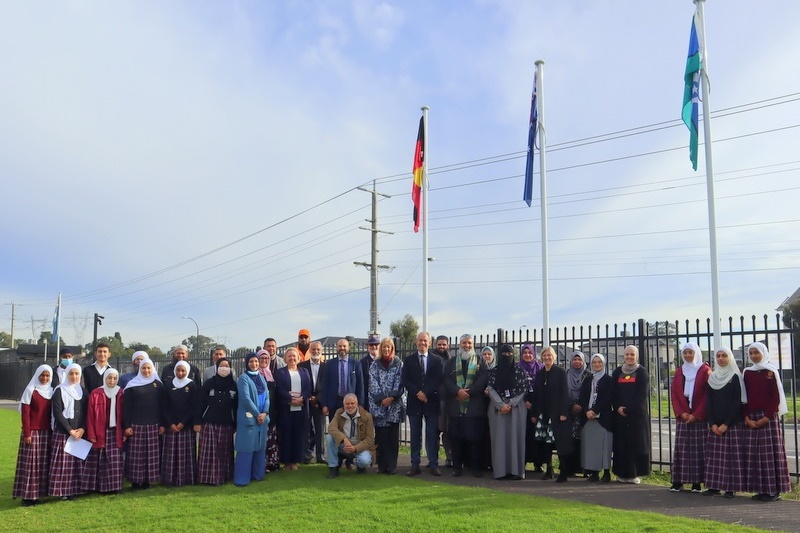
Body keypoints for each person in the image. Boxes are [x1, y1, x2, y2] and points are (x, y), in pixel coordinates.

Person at [742, 342, 790, 502]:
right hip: (752, 416)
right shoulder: (747, 372)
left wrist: (765, 417)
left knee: (770, 455)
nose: (754, 355)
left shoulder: (770, 371)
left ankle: (774, 490)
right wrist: (747, 417)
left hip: (768, 417)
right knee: (756, 455)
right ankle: (762, 489)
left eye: (757, 352)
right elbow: (745, 396)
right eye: (751, 353)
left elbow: (774, 397)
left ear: (764, 353)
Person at [443, 334, 489, 478]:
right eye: (464, 343)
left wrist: (467, 392)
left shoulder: (481, 361)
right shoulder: (451, 362)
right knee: (456, 440)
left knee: (474, 440)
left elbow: (483, 380)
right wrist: (457, 391)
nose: (466, 346)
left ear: (473, 345)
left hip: (474, 408)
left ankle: (475, 468)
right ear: (459, 345)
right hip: (456, 408)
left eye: (469, 343)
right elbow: (446, 380)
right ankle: (457, 468)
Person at [704, 347, 746, 498]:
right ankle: (714, 487)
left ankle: (730, 488)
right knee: (714, 457)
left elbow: (737, 402)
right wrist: (712, 423)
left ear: (730, 358)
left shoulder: (735, 376)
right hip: (715, 424)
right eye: (718, 356)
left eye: (724, 356)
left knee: (730, 458)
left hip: (731, 423)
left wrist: (726, 423)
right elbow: (709, 401)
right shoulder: (712, 377)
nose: (721, 358)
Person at [669, 342, 712, 493]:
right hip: (683, 415)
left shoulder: (705, 370)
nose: (687, 355)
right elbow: (674, 393)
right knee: (681, 449)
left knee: (698, 450)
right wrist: (681, 412)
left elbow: (707, 396)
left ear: (696, 353)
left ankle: (696, 482)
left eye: (690, 352)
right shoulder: (680, 371)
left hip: (698, 417)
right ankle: (678, 481)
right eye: (685, 353)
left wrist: (696, 414)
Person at [402, 332, 444, 477]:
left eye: (425, 341)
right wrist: (418, 393)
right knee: (415, 435)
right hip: (414, 402)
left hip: (431, 402)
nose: (422, 343)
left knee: (432, 434)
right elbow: (405, 380)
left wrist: (426, 392)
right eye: (420, 340)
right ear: (416, 342)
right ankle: (415, 464)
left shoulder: (437, 360)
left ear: (430, 343)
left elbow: (438, 379)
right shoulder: (408, 360)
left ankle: (433, 464)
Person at [13, 365, 53, 506]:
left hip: (46, 433)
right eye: (42, 375)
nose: (45, 378)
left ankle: (38, 494)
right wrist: (27, 433)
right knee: (30, 465)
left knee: (42, 464)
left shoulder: (52, 391)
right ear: (37, 375)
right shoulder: (31, 390)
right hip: (32, 433)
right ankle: (27, 496)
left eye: (47, 376)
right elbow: (25, 414)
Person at [487, 344, 528, 480]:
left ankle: (517, 471)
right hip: (498, 410)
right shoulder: (494, 371)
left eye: (509, 354)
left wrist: (510, 403)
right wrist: (500, 404)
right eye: (504, 355)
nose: (507, 357)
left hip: (516, 409)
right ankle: (500, 471)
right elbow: (490, 388)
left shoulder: (519, 371)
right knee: (499, 440)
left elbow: (523, 389)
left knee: (516, 439)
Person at [530, 346, 571, 482]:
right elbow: (536, 395)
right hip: (544, 413)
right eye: (544, 356)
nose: (547, 358)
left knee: (559, 443)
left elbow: (565, 393)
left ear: (554, 357)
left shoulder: (560, 372)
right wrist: (535, 413)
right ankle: (549, 469)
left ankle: (564, 471)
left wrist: (564, 412)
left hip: (557, 413)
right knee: (545, 444)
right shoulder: (540, 374)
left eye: (549, 355)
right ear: (541, 358)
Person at [611, 345, 651, 484]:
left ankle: (634, 474)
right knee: (621, 445)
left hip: (636, 416)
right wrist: (618, 408)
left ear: (636, 356)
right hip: (620, 416)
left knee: (635, 445)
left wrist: (628, 409)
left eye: (632, 355)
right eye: (627, 354)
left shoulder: (642, 372)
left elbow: (642, 395)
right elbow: (613, 393)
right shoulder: (617, 372)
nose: (629, 357)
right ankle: (621, 474)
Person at [48, 362, 87, 500]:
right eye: (71, 373)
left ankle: (74, 490)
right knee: (62, 464)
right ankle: (62, 492)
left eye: (76, 373)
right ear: (67, 374)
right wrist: (70, 430)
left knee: (76, 464)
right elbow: (57, 412)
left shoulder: (82, 391)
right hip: (64, 432)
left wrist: (82, 428)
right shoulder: (59, 390)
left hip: (79, 433)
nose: (74, 376)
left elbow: (87, 412)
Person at [123, 357, 163, 489]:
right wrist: (127, 426)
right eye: (144, 368)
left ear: (153, 369)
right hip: (136, 425)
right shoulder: (132, 385)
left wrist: (162, 424)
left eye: (149, 368)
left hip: (153, 425)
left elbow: (163, 406)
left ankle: (148, 480)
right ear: (140, 369)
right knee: (136, 455)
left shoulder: (158, 384)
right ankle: (135, 481)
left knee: (151, 454)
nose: (146, 370)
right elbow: (126, 407)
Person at [83, 368, 124, 494]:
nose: (112, 381)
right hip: (100, 431)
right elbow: (90, 416)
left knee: (114, 461)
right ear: (105, 378)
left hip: (115, 431)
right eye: (109, 378)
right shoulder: (96, 393)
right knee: (99, 460)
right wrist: (91, 433)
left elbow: (124, 414)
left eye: (114, 378)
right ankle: (97, 487)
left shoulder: (121, 393)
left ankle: (114, 487)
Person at [198, 358, 238, 486]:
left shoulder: (234, 385)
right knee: (209, 452)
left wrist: (235, 423)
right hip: (209, 422)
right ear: (216, 367)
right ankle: (208, 478)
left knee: (224, 452)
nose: (224, 368)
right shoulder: (209, 383)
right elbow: (200, 403)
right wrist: (197, 421)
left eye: (227, 366)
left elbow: (236, 406)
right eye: (221, 365)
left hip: (226, 423)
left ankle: (224, 477)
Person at [368, 337, 404, 475]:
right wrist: (382, 399)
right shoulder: (375, 365)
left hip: (394, 406)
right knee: (381, 438)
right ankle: (382, 466)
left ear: (392, 348)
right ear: (381, 348)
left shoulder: (399, 363)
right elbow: (373, 383)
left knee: (392, 438)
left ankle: (392, 466)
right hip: (379, 406)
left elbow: (400, 382)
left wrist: (392, 397)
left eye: (389, 347)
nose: (386, 349)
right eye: (384, 347)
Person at [161, 360, 200, 486]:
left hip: (186, 426)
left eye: (183, 370)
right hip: (171, 426)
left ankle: (186, 479)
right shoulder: (167, 385)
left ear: (187, 371)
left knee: (186, 454)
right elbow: (164, 406)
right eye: (178, 370)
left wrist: (183, 422)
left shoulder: (192, 385)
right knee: (171, 454)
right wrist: (171, 423)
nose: (180, 373)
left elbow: (193, 407)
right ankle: (170, 480)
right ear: (174, 371)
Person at [234, 352, 270, 486]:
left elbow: (267, 396)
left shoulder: (261, 377)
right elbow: (245, 399)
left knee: (260, 447)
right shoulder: (243, 378)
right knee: (246, 448)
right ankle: (242, 478)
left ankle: (258, 475)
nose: (254, 364)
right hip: (249, 419)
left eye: (256, 361)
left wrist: (265, 413)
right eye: (251, 362)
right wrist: (257, 414)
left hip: (262, 419)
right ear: (247, 363)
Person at [274, 347, 312, 471]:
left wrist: (302, 398)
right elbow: (279, 389)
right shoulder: (280, 373)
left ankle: (295, 461)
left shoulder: (304, 371)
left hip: (300, 408)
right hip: (286, 408)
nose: (292, 358)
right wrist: (290, 399)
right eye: (289, 356)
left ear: (298, 358)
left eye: (294, 356)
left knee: (298, 435)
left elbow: (308, 388)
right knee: (286, 435)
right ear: (285, 358)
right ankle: (286, 462)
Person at [579, 354, 613, 483]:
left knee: (604, 446)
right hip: (588, 418)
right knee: (592, 447)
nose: (597, 364)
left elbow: (608, 398)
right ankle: (594, 473)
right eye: (594, 362)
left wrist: (595, 410)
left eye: (599, 362)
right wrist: (587, 411)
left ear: (603, 364)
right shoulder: (588, 379)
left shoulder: (608, 380)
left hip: (603, 418)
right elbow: (582, 397)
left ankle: (606, 473)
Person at [325, 393, 375, 478]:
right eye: (347, 404)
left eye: (352, 403)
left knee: (364, 460)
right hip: (344, 445)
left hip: (360, 446)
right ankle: (333, 468)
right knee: (329, 437)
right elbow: (331, 428)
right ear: (343, 405)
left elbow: (370, 439)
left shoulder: (367, 416)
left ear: (357, 404)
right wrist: (344, 439)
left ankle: (360, 466)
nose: (350, 406)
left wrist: (355, 448)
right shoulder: (339, 412)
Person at [321, 338, 365, 421]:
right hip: (334, 403)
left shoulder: (356, 364)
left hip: (351, 404)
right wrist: (324, 405)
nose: (342, 348)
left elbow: (360, 385)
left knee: (350, 430)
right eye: (340, 346)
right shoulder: (329, 364)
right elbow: (325, 385)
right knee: (335, 430)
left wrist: (361, 404)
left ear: (348, 348)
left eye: (344, 346)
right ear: (336, 348)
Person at [299, 341, 326, 463]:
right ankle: (305, 455)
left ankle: (320, 456)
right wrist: (309, 397)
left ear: (321, 351)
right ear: (310, 351)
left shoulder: (326, 367)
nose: (315, 352)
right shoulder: (302, 366)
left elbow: (328, 386)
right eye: (313, 349)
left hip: (320, 403)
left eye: (318, 350)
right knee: (305, 429)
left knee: (320, 430)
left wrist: (318, 399)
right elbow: (300, 384)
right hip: (306, 402)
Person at [563, 351, 590, 478]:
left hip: (584, 412)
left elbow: (591, 393)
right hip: (569, 412)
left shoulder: (588, 375)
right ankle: (569, 469)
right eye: (575, 359)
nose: (577, 362)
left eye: (579, 360)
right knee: (569, 441)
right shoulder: (566, 374)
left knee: (584, 441)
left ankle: (585, 469)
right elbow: (562, 393)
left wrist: (581, 407)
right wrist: (570, 406)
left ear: (584, 361)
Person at [519, 343, 545, 473]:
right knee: (523, 435)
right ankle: (522, 462)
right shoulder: (517, 368)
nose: (527, 355)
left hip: (538, 403)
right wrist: (524, 401)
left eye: (530, 353)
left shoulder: (540, 367)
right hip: (521, 404)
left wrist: (534, 404)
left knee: (537, 435)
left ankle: (538, 463)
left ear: (534, 354)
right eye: (525, 352)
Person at [256, 348, 280, 472]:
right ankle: (262, 465)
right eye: (261, 358)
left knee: (271, 438)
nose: (264, 360)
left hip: (272, 410)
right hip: (260, 412)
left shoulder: (271, 374)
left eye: (266, 358)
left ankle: (272, 464)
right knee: (261, 439)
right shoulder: (255, 375)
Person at [434, 334, 454, 468]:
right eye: (439, 344)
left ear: (448, 346)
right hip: (434, 400)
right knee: (434, 432)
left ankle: (450, 458)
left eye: (444, 344)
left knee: (449, 432)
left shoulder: (452, 360)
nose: (441, 346)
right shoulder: (431, 359)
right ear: (435, 345)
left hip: (449, 400)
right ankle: (433, 460)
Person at [359, 334, 381, 412]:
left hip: (383, 401)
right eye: (371, 344)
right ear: (367, 346)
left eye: (376, 344)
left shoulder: (384, 360)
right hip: (368, 402)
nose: (374, 347)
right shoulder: (362, 363)